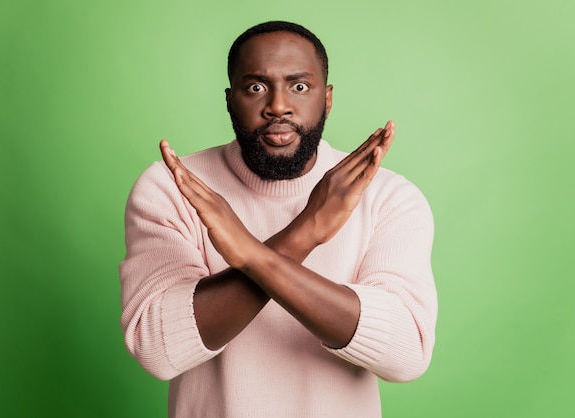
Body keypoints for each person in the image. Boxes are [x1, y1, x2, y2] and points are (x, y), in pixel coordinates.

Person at [120, 20, 437, 418]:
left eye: (299, 86)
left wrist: (254, 256)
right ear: (230, 99)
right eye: (255, 87)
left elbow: (406, 354)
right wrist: (306, 233)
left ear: (328, 98)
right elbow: (157, 349)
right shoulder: (175, 187)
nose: (278, 106)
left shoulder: (388, 196)